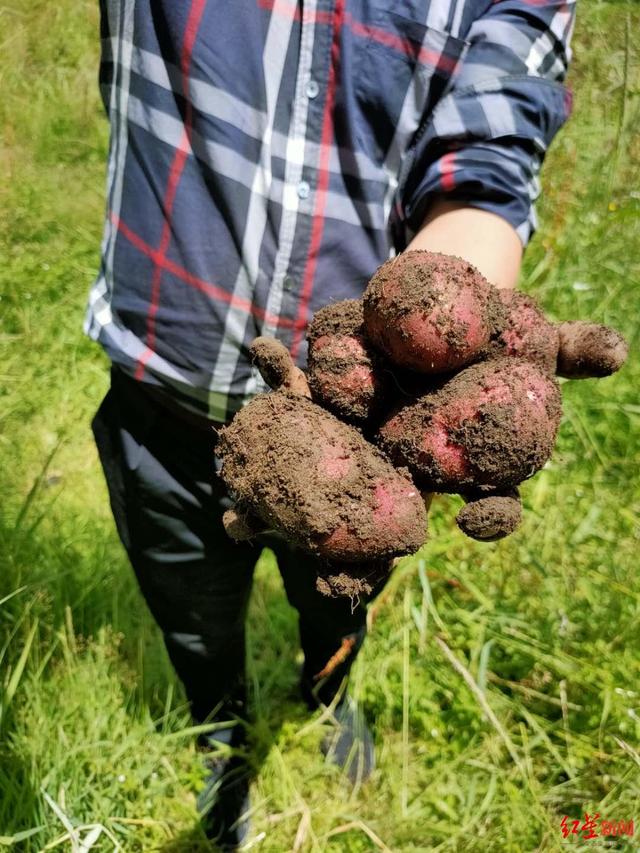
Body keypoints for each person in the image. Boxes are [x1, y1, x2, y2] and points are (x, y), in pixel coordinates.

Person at [87, 0, 576, 846]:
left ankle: (324, 694)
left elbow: (491, 148)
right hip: (163, 379)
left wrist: (447, 301)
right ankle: (221, 732)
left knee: (340, 597)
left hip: (362, 438)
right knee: (190, 607)